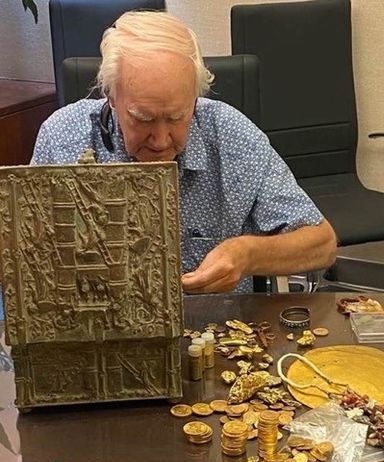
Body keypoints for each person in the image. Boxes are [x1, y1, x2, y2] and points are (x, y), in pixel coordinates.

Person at [31, 11, 337, 294]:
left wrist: (246, 254)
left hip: (218, 334)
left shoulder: (231, 135)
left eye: (178, 117)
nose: (162, 140)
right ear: (111, 97)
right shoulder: (62, 138)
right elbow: (26, 251)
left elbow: (321, 243)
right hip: (98, 332)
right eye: (143, 119)